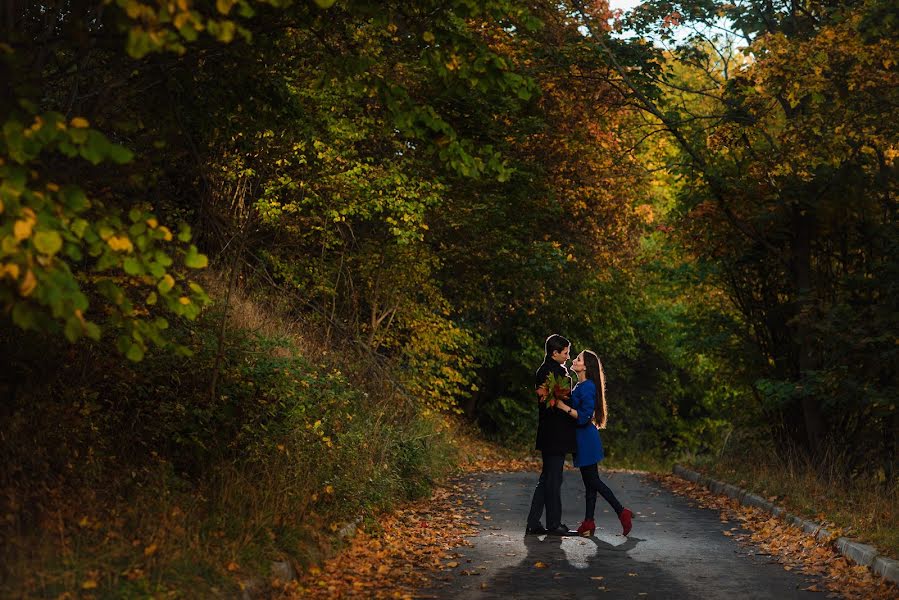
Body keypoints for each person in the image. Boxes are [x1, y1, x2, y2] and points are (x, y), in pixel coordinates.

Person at [554, 350, 633, 537]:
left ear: (585, 367)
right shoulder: (580, 386)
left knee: (593, 481)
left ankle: (622, 512)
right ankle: (589, 523)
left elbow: (584, 417)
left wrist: (563, 407)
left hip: (586, 440)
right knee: (590, 484)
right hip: (581, 440)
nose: (574, 360)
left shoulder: (588, 386)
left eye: (578, 359)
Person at [525, 334, 578, 536]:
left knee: (548, 478)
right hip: (555, 433)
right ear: (554, 353)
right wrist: (572, 409)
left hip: (551, 432)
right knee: (553, 479)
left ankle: (533, 522)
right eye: (565, 353)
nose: (568, 356)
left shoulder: (548, 371)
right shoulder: (552, 373)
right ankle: (554, 524)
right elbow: (553, 403)